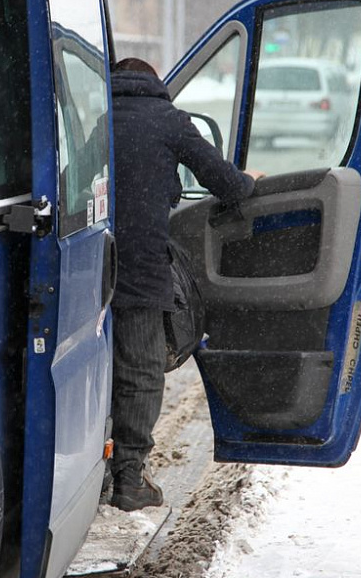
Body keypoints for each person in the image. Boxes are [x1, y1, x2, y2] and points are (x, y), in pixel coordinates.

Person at [108, 57, 261, 511]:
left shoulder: (98, 120)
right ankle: (130, 479)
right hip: (139, 265)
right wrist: (250, 182)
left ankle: (97, 466)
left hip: (87, 264)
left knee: (96, 371)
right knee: (140, 370)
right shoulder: (169, 121)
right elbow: (226, 184)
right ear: (155, 85)